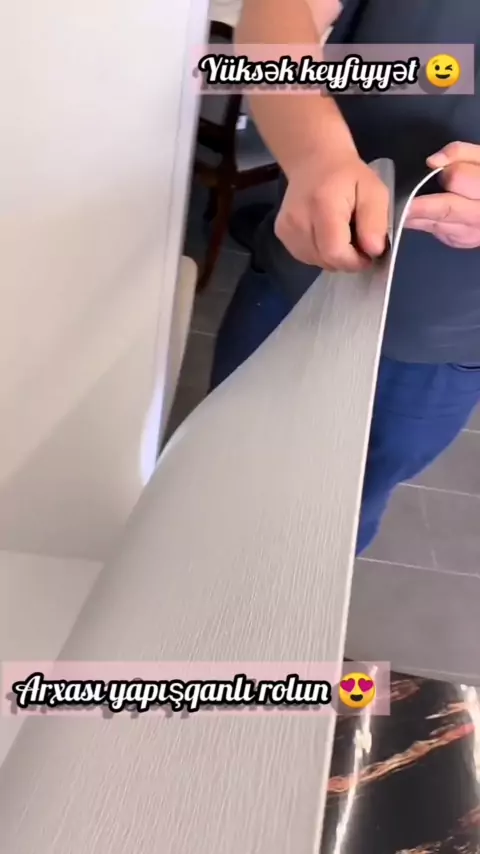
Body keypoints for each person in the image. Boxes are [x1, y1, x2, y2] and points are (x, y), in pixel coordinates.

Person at [209, 0, 480, 554]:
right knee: (217, 480)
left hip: (442, 342)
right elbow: (279, 10)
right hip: (296, 287)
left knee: (334, 525)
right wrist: (316, 153)